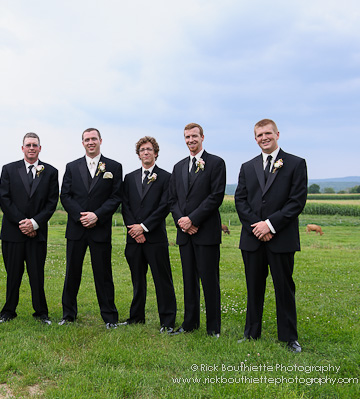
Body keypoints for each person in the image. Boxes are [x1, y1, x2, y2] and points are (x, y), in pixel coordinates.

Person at [235, 118, 307, 352]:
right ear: (255, 138)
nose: (263, 138)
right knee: (253, 287)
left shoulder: (296, 164)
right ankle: (251, 333)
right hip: (252, 238)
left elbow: (296, 202)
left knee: (284, 288)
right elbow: (240, 200)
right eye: (259, 135)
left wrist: (270, 225)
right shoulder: (247, 166)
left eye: (268, 133)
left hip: (281, 238)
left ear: (277, 134)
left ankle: (289, 337)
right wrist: (257, 226)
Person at [59, 128, 122, 328]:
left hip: (100, 228)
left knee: (103, 274)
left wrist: (97, 215)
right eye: (87, 139)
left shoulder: (114, 166)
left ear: (101, 140)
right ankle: (68, 316)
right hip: (77, 229)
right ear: (83, 143)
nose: (90, 142)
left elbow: (116, 197)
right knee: (72, 273)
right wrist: (81, 216)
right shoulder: (71, 166)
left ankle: (110, 318)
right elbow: (65, 196)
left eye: (94, 139)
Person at [169, 123, 226, 337]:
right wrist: (182, 222)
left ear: (202, 137)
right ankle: (189, 324)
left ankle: (213, 328)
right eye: (187, 137)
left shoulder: (216, 163)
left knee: (210, 280)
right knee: (188, 280)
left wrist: (193, 219)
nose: (190, 140)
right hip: (184, 234)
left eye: (194, 136)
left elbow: (216, 196)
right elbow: (172, 199)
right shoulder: (179, 166)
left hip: (206, 232)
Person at [0, 133, 59, 325]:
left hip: (37, 233)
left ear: (40, 148)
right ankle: (8, 312)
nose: (31, 148)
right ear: (22, 148)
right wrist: (23, 223)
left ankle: (41, 313)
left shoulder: (50, 171)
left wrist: (34, 223)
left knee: (36, 274)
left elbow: (51, 202)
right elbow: (4, 200)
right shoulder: (8, 169)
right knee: (13, 274)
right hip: (13, 232)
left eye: (35, 145)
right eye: (28, 145)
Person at [121, 136, 177, 332]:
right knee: (137, 279)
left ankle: (167, 321)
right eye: (142, 149)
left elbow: (165, 206)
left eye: (149, 149)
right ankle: (136, 317)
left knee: (162, 280)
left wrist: (144, 227)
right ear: (138, 154)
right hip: (133, 239)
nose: (146, 152)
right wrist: (134, 229)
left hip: (155, 238)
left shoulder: (166, 177)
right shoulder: (129, 178)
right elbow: (125, 206)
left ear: (156, 153)